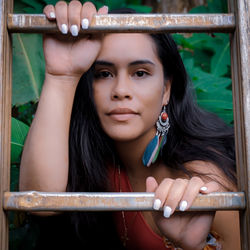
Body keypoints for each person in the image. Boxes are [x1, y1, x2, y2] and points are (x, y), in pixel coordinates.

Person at [19, 1, 241, 249]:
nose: (121, 91)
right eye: (104, 74)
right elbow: (39, 200)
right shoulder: (97, 158)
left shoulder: (204, 180)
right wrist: (62, 77)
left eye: (140, 73)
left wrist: (191, 247)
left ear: (166, 90)